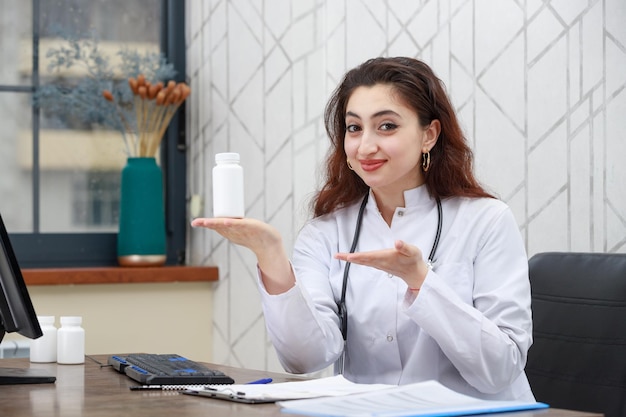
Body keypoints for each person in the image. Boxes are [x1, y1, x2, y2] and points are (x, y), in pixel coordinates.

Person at [191, 57, 534, 401]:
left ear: (428, 134)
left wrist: (420, 280)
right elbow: (304, 359)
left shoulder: (486, 220)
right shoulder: (325, 233)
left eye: (387, 126)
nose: (365, 146)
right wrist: (270, 255)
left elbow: (501, 368)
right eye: (354, 128)